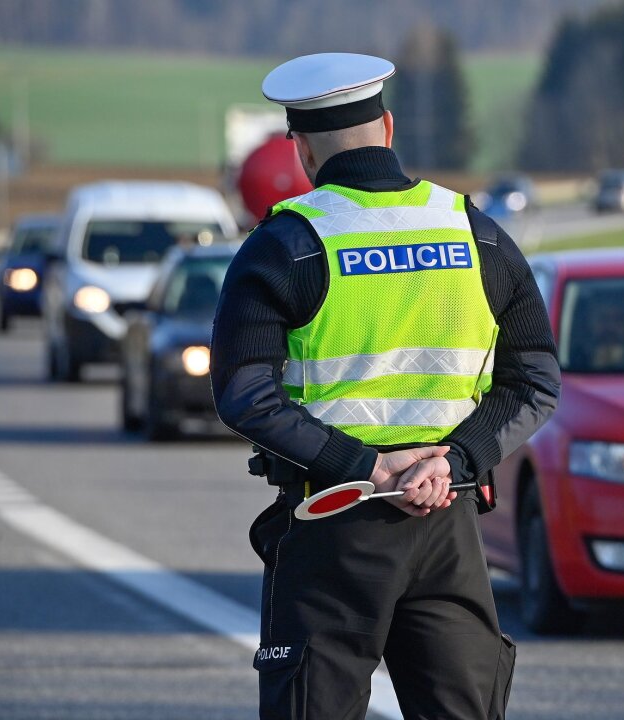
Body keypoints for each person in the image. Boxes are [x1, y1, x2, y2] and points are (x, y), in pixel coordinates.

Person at [210, 52, 560, 720]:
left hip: (334, 525)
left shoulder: (286, 245)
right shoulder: (476, 233)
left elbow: (245, 394)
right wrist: (453, 460)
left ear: (303, 149)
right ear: (388, 127)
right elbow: (536, 380)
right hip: (447, 520)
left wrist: (366, 467)